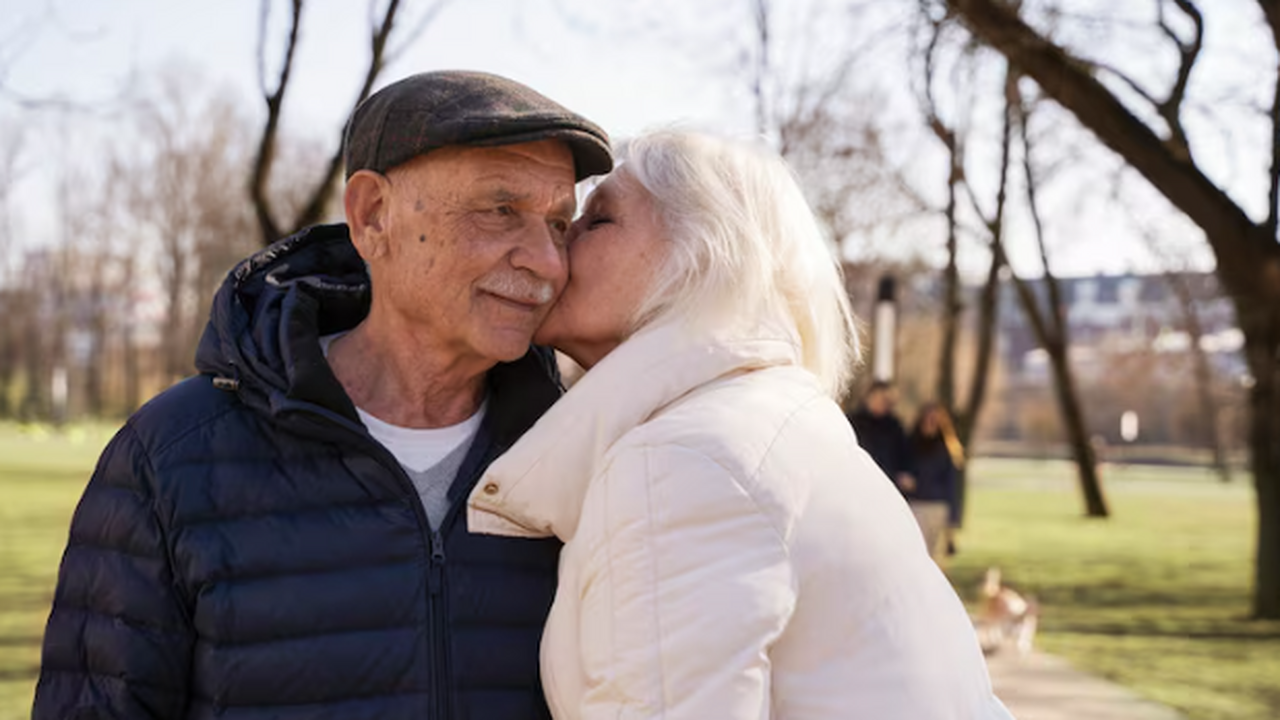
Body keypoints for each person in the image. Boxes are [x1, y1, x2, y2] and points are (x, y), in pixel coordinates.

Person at [33, 70, 612, 720]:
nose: (547, 261)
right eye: (500, 210)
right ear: (372, 217)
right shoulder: (171, 458)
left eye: (560, 224)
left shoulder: (591, 460)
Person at [467, 130, 1014, 719]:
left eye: (596, 221)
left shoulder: (685, 462)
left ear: (703, 257)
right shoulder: (766, 420)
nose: (556, 250)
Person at [908, 402, 965, 563]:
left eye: (934, 420)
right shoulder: (910, 445)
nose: (930, 424)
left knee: (934, 559)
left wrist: (953, 519)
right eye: (927, 419)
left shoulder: (948, 450)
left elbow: (953, 486)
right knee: (915, 555)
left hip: (938, 508)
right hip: (915, 506)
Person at [847, 379, 917, 495]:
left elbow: (905, 455)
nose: (884, 404)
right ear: (869, 397)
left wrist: (905, 473)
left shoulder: (894, 426)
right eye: (882, 399)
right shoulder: (853, 421)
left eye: (888, 401)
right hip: (858, 482)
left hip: (887, 483)